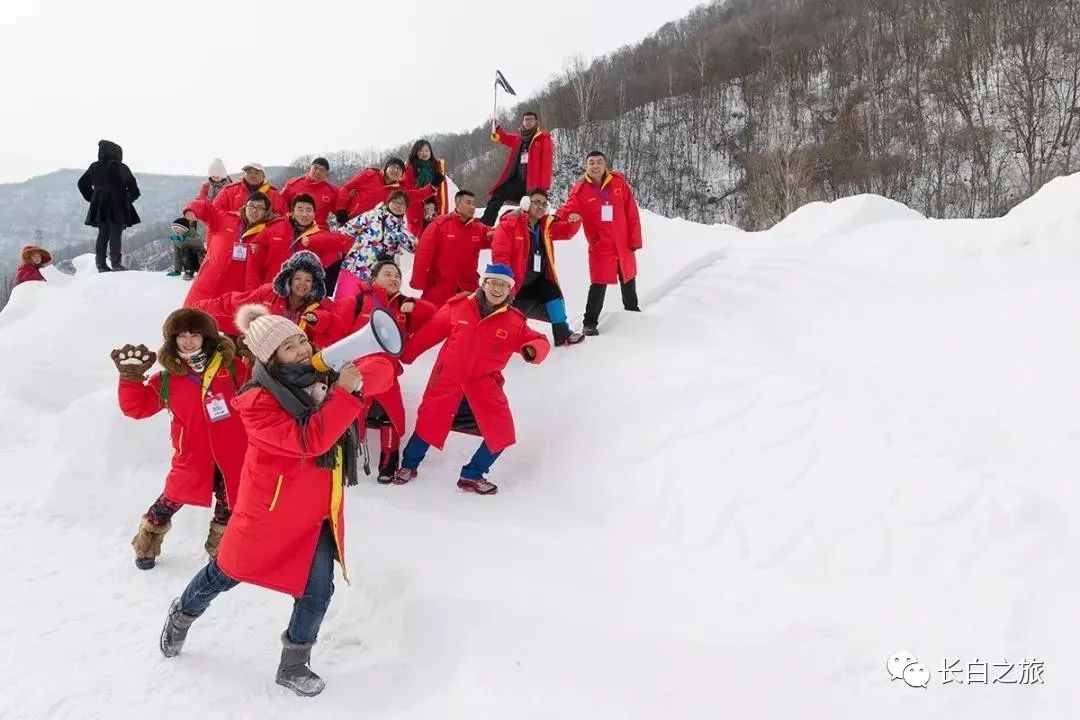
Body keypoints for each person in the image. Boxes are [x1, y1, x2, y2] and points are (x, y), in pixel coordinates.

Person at [157, 304, 396, 697]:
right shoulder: (256, 401)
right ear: (270, 358)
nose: (302, 349)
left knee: (318, 590)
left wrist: (358, 373)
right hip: (269, 510)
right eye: (288, 346)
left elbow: (383, 374)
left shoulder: (322, 379)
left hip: (316, 509)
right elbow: (309, 440)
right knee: (225, 572)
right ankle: (181, 616)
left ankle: (294, 663)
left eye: (301, 339)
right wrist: (344, 394)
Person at [392, 263, 550, 495]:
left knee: (502, 432)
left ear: (510, 291)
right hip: (447, 379)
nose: (497, 289)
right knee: (428, 423)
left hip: (484, 384)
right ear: (483, 283)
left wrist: (533, 349)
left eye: (504, 285)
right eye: (493, 282)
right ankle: (408, 466)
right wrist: (405, 355)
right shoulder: (458, 307)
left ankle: (472, 474)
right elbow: (430, 333)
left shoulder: (513, 321)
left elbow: (540, 340)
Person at [112, 308, 249, 570]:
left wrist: (258, 360)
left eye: (194, 335)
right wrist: (129, 379)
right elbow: (136, 408)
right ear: (172, 341)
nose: (188, 341)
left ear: (206, 338)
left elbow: (255, 394)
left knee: (229, 501)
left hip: (232, 451)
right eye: (181, 336)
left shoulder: (231, 368)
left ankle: (220, 550)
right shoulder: (167, 379)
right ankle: (146, 543)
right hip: (192, 454)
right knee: (171, 499)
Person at [330, 258, 437, 482]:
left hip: (388, 371)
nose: (394, 279)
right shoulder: (358, 300)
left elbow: (434, 315)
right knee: (348, 412)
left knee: (391, 416)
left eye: (397, 276)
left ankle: (388, 462)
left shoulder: (404, 305)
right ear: (374, 278)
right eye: (388, 274)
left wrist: (416, 306)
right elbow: (337, 330)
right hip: (357, 370)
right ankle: (341, 460)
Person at [559, 151, 643, 336]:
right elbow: (568, 207)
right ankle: (590, 322)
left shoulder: (618, 183)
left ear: (605, 165)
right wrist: (555, 217)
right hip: (600, 244)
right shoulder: (580, 190)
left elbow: (632, 213)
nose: (595, 166)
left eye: (599, 162)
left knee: (628, 278)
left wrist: (634, 240)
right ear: (586, 166)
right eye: (591, 163)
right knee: (598, 283)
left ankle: (633, 312)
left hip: (622, 242)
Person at [492, 189, 584, 346]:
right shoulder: (509, 225)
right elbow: (501, 258)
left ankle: (562, 333)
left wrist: (574, 222)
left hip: (534, 281)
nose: (540, 207)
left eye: (544, 204)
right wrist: (505, 285)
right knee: (503, 318)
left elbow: (566, 231)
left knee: (551, 289)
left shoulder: (545, 226)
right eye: (536, 202)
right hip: (514, 283)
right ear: (526, 203)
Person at [195, 250, 336, 348]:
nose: (302, 284)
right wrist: (198, 308)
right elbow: (233, 301)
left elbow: (330, 330)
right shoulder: (269, 292)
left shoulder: (320, 305)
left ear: (314, 283)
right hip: (263, 354)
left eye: (308, 280)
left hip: (296, 361)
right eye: (297, 278)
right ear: (289, 278)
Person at [181, 191, 276, 334]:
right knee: (189, 324)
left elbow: (272, 261)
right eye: (251, 206)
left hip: (237, 290)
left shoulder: (270, 231)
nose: (254, 211)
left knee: (229, 333)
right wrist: (192, 209)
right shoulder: (226, 219)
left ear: (267, 211)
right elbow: (207, 209)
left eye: (259, 208)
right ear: (245, 206)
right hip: (210, 283)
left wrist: (261, 252)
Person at [245, 194, 349, 290]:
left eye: (309, 210)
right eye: (300, 209)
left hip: (302, 294)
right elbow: (254, 262)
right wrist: (253, 291)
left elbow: (345, 242)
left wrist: (313, 241)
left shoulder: (320, 233)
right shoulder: (273, 228)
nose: (304, 214)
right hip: (272, 289)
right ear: (292, 212)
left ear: (314, 214)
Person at [410, 189, 492, 307]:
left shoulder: (479, 229)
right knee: (433, 318)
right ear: (458, 205)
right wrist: (418, 280)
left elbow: (498, 238)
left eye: (474, 204)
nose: (472, 207)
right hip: (440, 285)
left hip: (467, 287)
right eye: (468, 203)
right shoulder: (440, 225)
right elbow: (424, 253)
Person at [334, 191, 417, 299]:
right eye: (395, 202)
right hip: (356, 268)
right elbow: (346, 230)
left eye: (402, 204)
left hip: (378, 278)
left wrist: (399, 236)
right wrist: (341, 250)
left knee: (368, 311)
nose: (398, 206)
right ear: (388, 203)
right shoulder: (372, 215)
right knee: (344, 304)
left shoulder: (401, 229)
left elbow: (414, 247)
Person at [77, 139, 141, 272]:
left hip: (100, 205)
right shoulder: (120, 166)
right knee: (115, 234)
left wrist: (92, 197)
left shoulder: (94, 166)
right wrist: (127, 199)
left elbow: (82, 183)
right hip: (118, 205)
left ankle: (101, 265)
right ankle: (116, 264)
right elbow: (134, 189)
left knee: (103, 235)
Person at [480, 111, 553, 225]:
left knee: (531, 211)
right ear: (522, 122)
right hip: (518, 180)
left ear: (536, 122)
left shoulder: (543, 138)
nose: (528, 122)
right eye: (526, 119)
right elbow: (505, 138)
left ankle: (533, 234)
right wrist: (497, 128)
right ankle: (485, 223)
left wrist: (543, 187)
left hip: (533, 183)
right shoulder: (519, 138)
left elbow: (547, 163)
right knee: (498, 194)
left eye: (531, 119)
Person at [334, 158, 435, 223]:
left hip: (372, 230)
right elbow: (346, 188)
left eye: (400, 169)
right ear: (386, 167)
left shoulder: (398, 190)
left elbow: (415, 195)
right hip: (350, 220)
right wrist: (340, 209)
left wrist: (432, 187)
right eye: (394, 167)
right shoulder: (369, 175)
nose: (396, 170)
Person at [401, 140, 447, 237]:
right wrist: (430, 188)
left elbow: (444, 194)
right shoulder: (409, 169)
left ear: (431, 152)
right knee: (421, 246)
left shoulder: (437, 168)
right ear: (415, 152)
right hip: (417, 214)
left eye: (426, 150)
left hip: (435, 212)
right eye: (420, 151)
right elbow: (407, 195)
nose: (424, 153)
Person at [282, 157, 340, 228]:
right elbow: (280, 206)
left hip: (319, 231)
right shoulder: (294, 185)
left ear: (326, 174)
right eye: (315, 168)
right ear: (310, 168)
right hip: (294, 230)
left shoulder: (332, 191)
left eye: (322, 170)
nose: (318, 172)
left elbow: (342, 212)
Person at [213, 163, 287, 216]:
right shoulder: (229, 191)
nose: (252, 175)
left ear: (263, 177)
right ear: (244, 175)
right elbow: (214, 211)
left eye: (256, 173)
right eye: (249, 172)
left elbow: (284, 215)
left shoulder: (274, 194)